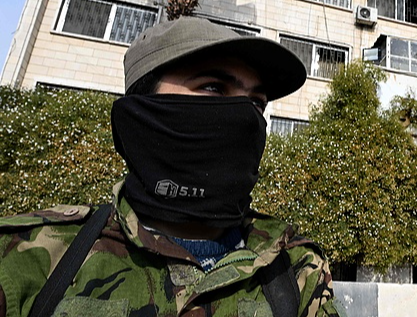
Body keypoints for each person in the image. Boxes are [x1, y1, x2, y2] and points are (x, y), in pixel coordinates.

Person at [0, 17, 347, 317]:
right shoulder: (29, 253)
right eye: (213, 88)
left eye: (256, 103)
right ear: (144, 112)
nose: (244, 118)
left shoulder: (296, 268)